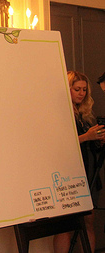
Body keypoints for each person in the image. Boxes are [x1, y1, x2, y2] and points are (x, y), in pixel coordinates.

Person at [53, 71, 105, 253]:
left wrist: (97, 140)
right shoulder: (59, 115)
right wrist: (86, 136)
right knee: (65, 225)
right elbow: (58, 145)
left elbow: (89, 148)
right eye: (77, 89)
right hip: (67, 177)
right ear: (68, 89)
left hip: (89, 173)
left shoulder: (86, 115)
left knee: (88, 221)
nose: (81, 93)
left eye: (84, 89)